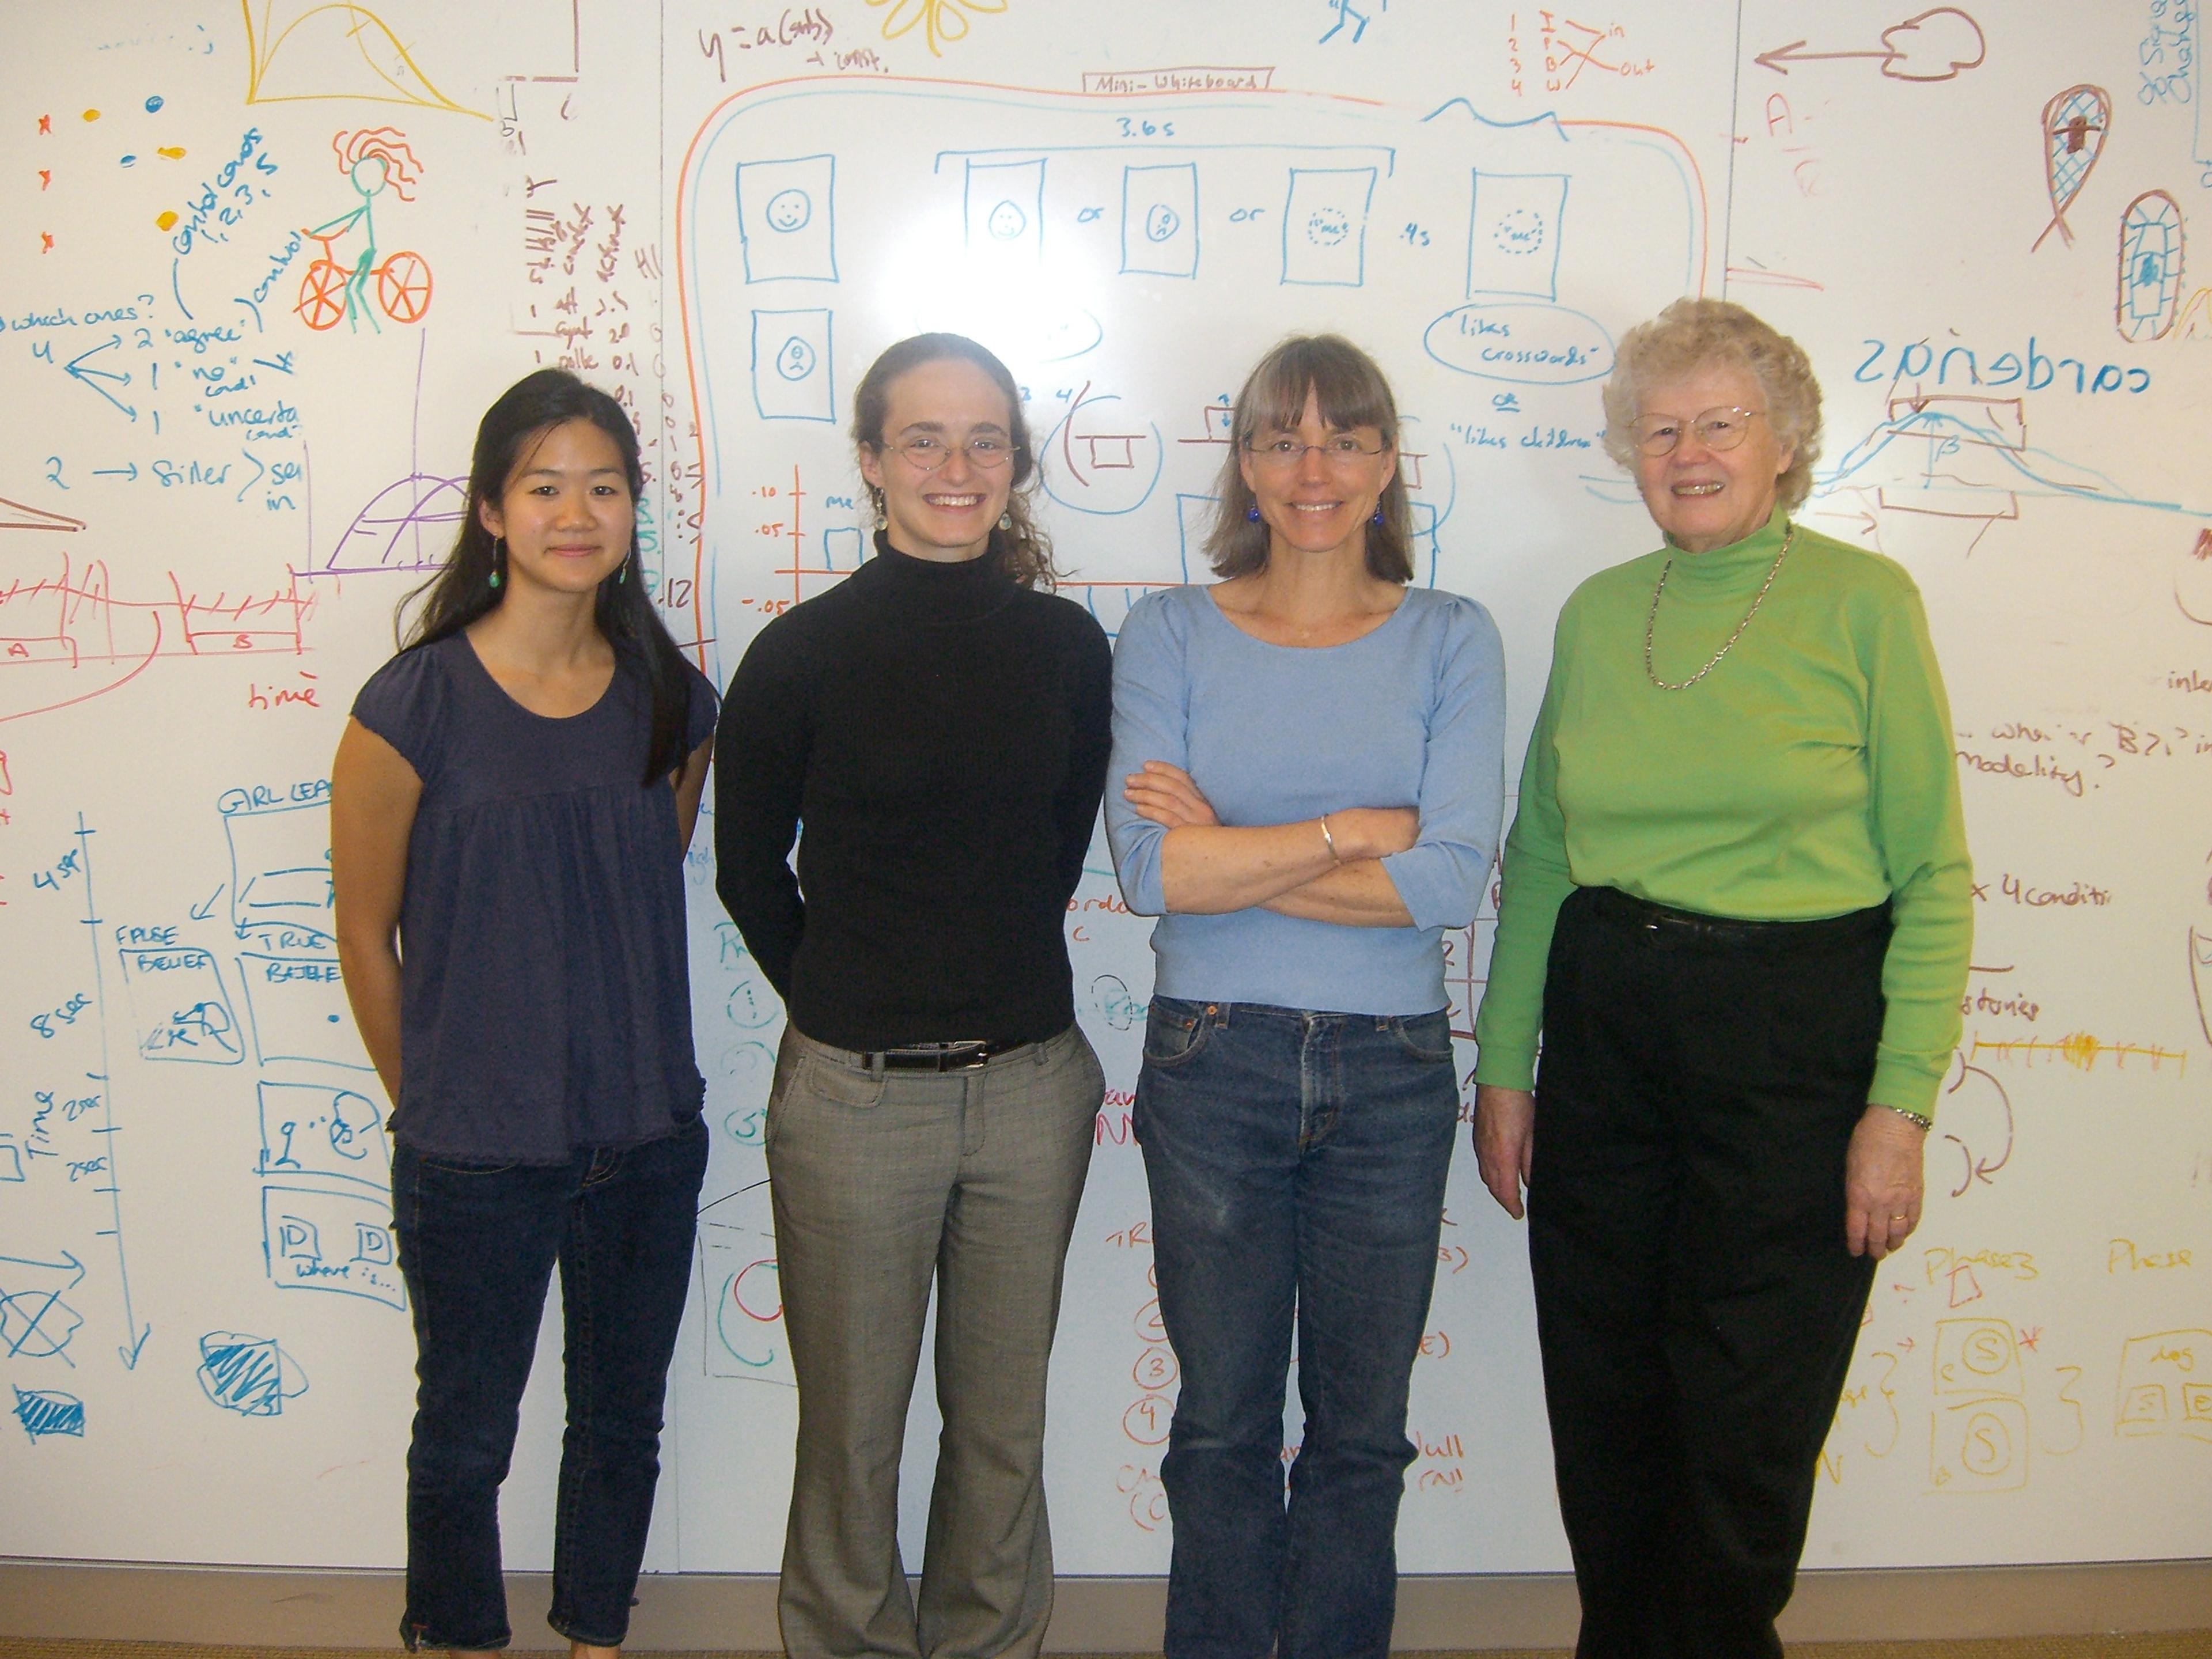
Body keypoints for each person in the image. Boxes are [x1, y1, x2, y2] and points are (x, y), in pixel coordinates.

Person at [1470, 297, 1973, 1659]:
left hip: (1796, 1041)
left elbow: (1932, 878)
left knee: (1748, 1417)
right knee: (1608, 1393)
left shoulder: (1866, 603)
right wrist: (1506, 1069)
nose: (1687, 451)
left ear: (1787, 441)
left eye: (1721, 423)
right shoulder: (1595, 614)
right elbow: (1542, 859)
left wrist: (1900, 1106)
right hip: (1608, 1023)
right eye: (1661, 427)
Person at [1105, 334, 1506, 1659]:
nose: (1314, 467)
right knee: (1221, 1425)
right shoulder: (1169, 628)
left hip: (1393, 1072)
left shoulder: (1453, 635)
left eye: (1346, 438)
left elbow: (1446, 881)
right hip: (1213, 1065)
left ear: (1389, 461)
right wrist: (1350, 831)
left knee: (1360, 1434)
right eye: (1283, 437)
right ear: (1246, 464)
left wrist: (1246, 845)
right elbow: (1156, 869)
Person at [713, 333, 1113, 1659]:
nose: (957, 465)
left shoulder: (1067, 647)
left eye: (985, 438)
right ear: (873, 461)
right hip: (851, 1104)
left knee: (1002, 1431)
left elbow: (1055, 847)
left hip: (1030, 1094)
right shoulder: (800, 653)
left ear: (1016, 462)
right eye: (924, 439)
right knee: (852, 1432)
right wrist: (844, 1003)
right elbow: (746, 870)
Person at [331, 368, 718, 1657]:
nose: (576, 511)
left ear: (631, 513)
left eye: (602, 486)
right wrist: (433, 1100)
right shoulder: (410, 707)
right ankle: (453, 1636)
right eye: (544, 485)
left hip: (647, 1134)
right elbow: (364, 936)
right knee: (465, 1430)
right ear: (492, 513)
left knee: (622, 1418)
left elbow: (642, 873)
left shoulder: (670, 698)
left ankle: (595, 1636)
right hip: (475, 1148)